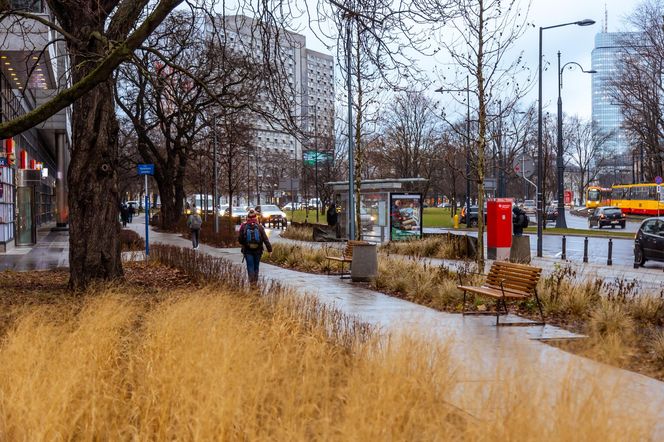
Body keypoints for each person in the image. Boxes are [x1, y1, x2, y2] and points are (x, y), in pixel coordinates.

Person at [238, 208, 272, 285]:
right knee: (256, 267)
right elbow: (265, 239)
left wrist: (245, 244)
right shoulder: (259, 227)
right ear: (256, 217)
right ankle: (255, 283)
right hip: (258, 250)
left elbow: (240, 239)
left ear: (247, 217)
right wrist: (270, 250)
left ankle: (251, 283)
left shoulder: (243, 226)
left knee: (250, 267)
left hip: (247, 251)